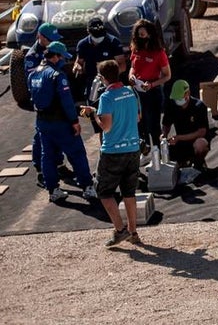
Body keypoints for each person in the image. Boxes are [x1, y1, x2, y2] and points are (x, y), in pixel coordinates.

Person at [80, 59, 143, 247]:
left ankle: (120, 230)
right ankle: (133, 232)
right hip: (133, 149)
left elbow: (106, 127)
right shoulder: (131, 92)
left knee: (104, 192)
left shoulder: (106, 98)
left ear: (102, 78)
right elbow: (138, 117)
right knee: (129, 192)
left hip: (113, 151)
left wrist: (94, 115)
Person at [28, 41, 97, 202]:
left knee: (48, 156)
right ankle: (87, 187)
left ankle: (53, 190)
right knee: (77, 154)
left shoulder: (33, 74)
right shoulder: (57, 76)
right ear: (55, 56)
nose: (64, 62)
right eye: (62, 58)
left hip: (42, 122)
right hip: (61, 123)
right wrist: (74, 121)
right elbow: (66, 101)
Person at [25, 23, 65, 186]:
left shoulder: (54, 49)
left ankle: (58, 161)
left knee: (59, 130)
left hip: (55, 99)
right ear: (40, 37)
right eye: (49, 39)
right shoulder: (32, 56)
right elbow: (34, 81)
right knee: (40, 135)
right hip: (44, 102)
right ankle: (41, 169)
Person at [127, 18, 171, 152]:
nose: (140, 38)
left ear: (149, 34)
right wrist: (131, 76)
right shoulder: (135, 49)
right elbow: (133, 67)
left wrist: (151, 85)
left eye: (143, 35)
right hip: (137, 90)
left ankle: (157, 150)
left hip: (153, 91)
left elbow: (167, 75)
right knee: (140, 122)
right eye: (138, 35)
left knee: (153, 124)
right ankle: (144, 149)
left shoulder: (159, 53)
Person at [72, 17, 127, 116]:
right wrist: (77, 67)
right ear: (88, 31)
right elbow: (79, 62)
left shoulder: (113, 42)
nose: (98, 38)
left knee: (111, 112)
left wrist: (109, 75)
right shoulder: (83, 44)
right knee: (94, 110)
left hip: (111, 83)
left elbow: (122, 65)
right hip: (92, 81)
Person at [162, 79, 210, 169]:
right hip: (181, 142)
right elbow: (166, 124)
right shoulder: (172, 106)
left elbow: (202, 132)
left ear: (187, 93)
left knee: (200, 145)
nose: (178, 101)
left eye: (179, 98)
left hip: (195, 139)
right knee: (166, 150)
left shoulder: (199, 106)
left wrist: (179, 137)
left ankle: (199, 162)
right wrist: (164, 134)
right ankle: (183, 162)